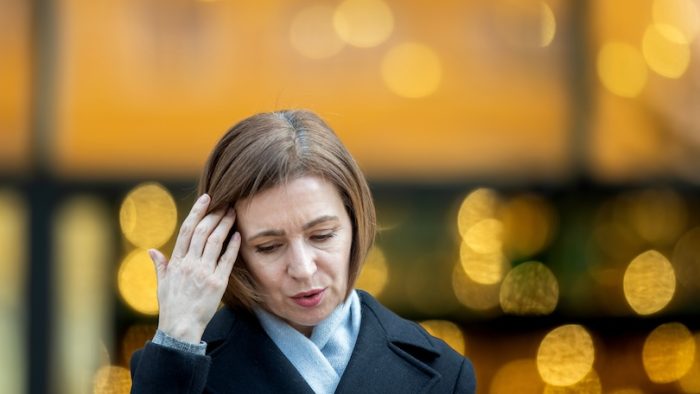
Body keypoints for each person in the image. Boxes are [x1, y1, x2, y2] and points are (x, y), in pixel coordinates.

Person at [129, 109, 476, 393]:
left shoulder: (445, 372)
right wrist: (178, 338)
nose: (304, 269)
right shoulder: (177, 371)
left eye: (322, 236)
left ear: (356, 223)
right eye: (269, 247)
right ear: (230, 251)